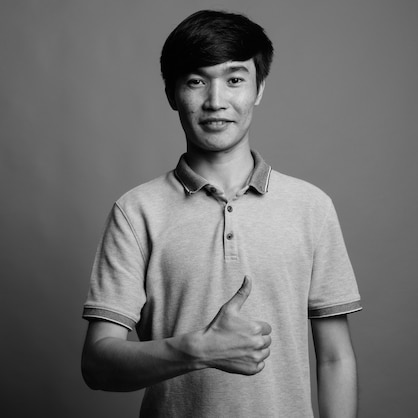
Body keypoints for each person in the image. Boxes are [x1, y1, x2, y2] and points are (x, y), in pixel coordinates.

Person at [81, 10, 361, 418]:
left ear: (259, 88)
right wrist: (197, 349)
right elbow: (97, 365)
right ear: (172, 93)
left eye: (234, 80)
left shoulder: (311, 207)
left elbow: (336, 358)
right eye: (196, 81)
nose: (216, 101)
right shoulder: (136, 212)